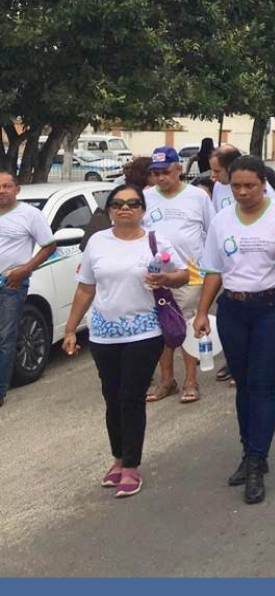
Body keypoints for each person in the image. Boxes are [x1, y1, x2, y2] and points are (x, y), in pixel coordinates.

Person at [59, 183, 187, 497]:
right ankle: (117, 459)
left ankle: (131, 465)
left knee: (131, 396)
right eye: (117, 204)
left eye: (132, 203)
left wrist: (165, 278)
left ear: (142, 209)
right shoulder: (97, 243)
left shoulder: (156, 241)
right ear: (110, 210)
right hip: (103, 334)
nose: (124, 209)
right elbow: (85, 288)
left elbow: (184, 274)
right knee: (111, 397)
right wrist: (71, 329)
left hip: (145, 332)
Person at [193, 157, 275, 504]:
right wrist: (202, 311)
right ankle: (247, 450)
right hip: (234, 309)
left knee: (264, 385)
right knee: (243, 385)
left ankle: (257, 461)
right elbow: (214, 269)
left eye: (249, 185)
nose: (242, 192)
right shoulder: (222, 220)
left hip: (274, 308)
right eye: (236, 185)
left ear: (263, 184)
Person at [143, 147, 214, 406]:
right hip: (156, 273)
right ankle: (167, 380)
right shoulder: (145, 197)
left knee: (188, 324)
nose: (161, 178)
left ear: (179, 170)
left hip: (191, 272)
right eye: (155, 173)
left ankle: (191, 380)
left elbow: (212, 231)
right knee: (162, 326)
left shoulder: (198, 197)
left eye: (166, 172)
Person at [0, 171, 57, 407]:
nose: (2, 190)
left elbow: (49, 246)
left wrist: (25, 269)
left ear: (17, 189)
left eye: (7, 185)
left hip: (10, 284)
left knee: (5, 337)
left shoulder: (30, 215)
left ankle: (1, 389)